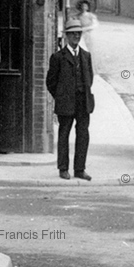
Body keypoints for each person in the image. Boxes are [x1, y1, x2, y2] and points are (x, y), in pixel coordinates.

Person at [46, 19, 95, 181]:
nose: (76, 36)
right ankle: (63, 168)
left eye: (78, 33)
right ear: (66, 36)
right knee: (64, 134)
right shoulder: (58, 57)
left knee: (83, 135)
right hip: (66, 102)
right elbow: (51, 82)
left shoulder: (86, 56)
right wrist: (60, 96)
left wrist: (83, 92)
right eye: (73, 33)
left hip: (83, 102)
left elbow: (90, 78)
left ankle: (80, 169)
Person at [74, 0, 100, 73]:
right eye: (82, 6)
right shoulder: (77, 16)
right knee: (81, 50)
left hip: (89, 35)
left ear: (87, 7)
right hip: (80, 35)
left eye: (85, 6)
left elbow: (95, 25)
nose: (83, 8)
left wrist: (85, 29)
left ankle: (91, 69)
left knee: (90, 51)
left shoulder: (91, 16)